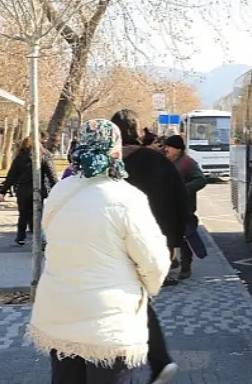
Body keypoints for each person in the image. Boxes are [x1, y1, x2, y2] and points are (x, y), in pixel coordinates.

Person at [27, 119, 171, 384]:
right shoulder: (127, 198)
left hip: (61, 312)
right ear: (115, 150)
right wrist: (146, 290)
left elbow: (50, 238)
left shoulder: (60, 191)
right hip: (109, 322)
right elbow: (154, 261)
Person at [111, 109, 187, 383]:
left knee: (130, 295)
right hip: (155, 241)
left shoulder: (109, 162)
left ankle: (151, 359)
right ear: (139, 131)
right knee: (136, 295)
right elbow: (180, 200)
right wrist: (174, 243)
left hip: (118, 241)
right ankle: (156, 359)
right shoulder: (157, 161)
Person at [0, 135, 58, 246]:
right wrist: (57, 189)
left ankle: (21, 237)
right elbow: (52, 175)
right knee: (41, 215)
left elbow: (11, 176)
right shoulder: (44, 156)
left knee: (23, 214)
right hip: (41, 190)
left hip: (23, 190)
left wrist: (3, 191)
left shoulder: (19, 158)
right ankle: (41, 237)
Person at [162, 134, 207, 280]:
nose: (166, 149)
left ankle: (186, 266)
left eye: (169, 147)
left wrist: (183, 189)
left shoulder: (188, 163)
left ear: (178, 149)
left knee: (185, 239)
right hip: (167, 208)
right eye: (166, 146)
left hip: (184, 208)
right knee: (168, 237)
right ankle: (171, 262)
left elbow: (201, 180)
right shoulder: (166, 161)